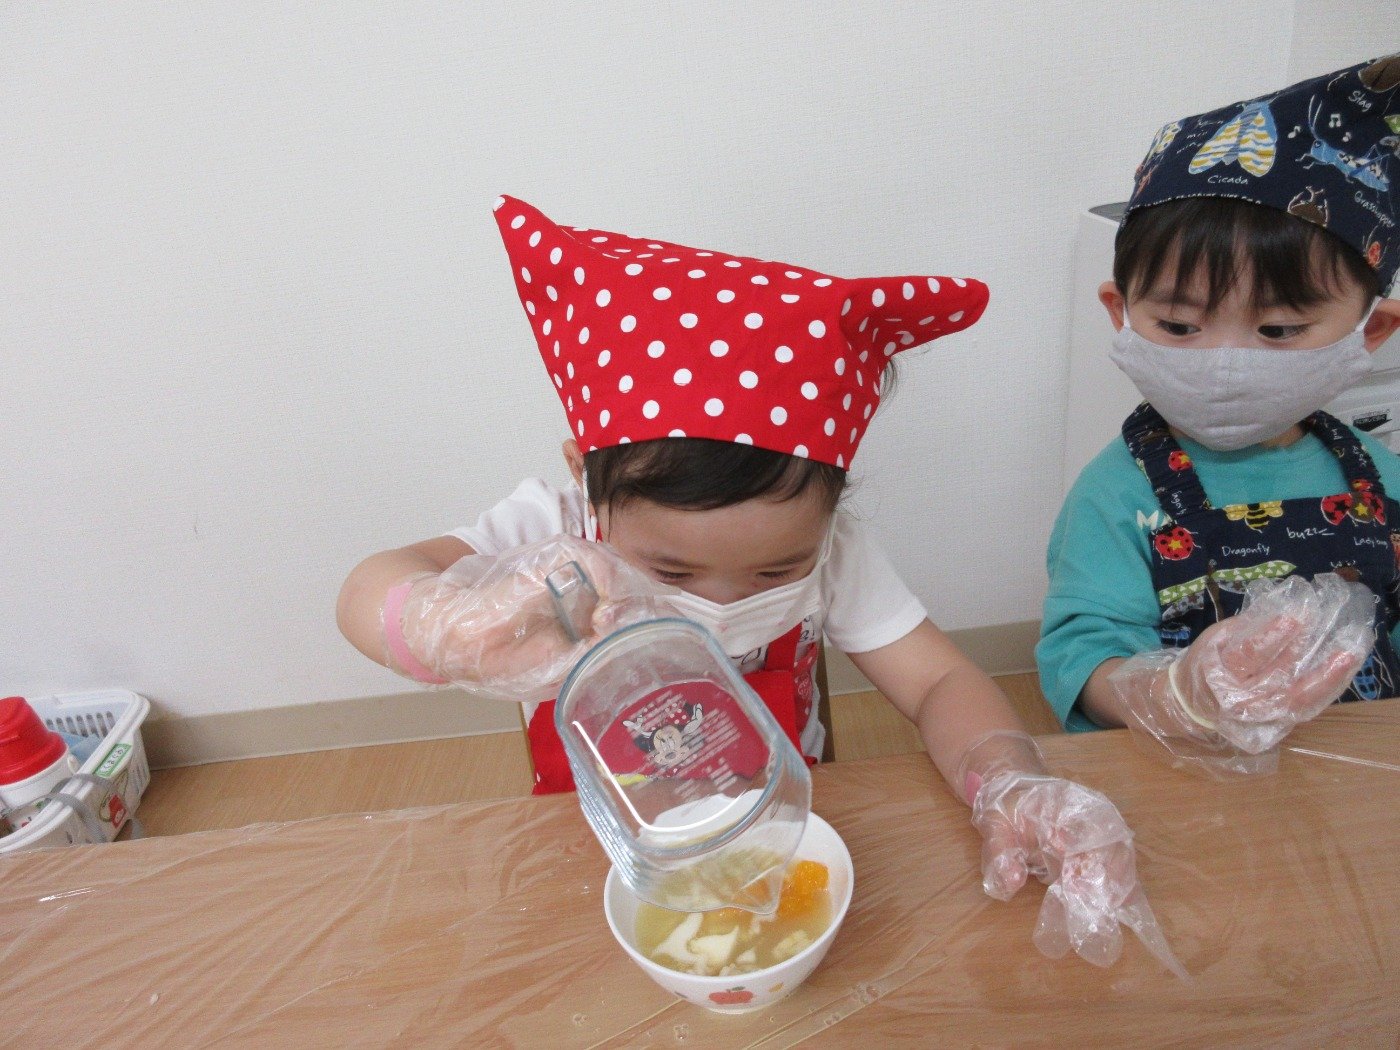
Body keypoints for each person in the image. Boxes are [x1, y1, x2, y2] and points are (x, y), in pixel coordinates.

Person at [338, 195, 1181, 971]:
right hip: (586, 840)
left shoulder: (835, 549)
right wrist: (445, 624)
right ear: (587, 480)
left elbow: (938, 682)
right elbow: (366, 590)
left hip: (780, 824)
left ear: (831, 506)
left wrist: (1007, 776)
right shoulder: (548, 529)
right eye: (672, 569)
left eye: (777, 570)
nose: (724, 600)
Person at [1039, 55, 1400, 776]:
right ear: (1120, 312)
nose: (1225, 363)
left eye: (1278, 330)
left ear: (1372, 331)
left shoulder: (1381, 476)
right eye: (1179, 326)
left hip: (1359, 776)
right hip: (1189, 773)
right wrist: (1176, 694)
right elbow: (1084, 657)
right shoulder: (1116, 495)